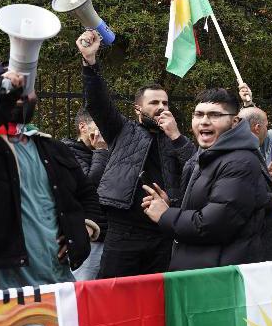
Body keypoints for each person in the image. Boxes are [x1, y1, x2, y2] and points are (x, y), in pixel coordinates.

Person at [76, 30, 197, 278]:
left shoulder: (176, 138)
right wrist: (90, 63)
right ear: (138, 109)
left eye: (165, 103)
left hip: (162, 231)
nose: (161, 107)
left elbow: (196, 168)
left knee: (155, 300)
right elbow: (98, 103)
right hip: (124, 231)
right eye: (154, 103)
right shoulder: (122, 130)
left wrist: (176, 136)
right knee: (115, 298)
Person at [141, 88, 272, 270]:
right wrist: (171, 206)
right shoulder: (207, 155)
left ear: (234, 122)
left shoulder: (240, 161)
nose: (204, 121)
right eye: (199, 114)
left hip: (217, 276)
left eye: (214, 115)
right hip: (199, 266)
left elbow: (213, 225)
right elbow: (204, 205)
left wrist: (165, 215)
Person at [0, 64, 101, 289]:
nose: (20, 94)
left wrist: (83, 229)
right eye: (10, 87)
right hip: (5, 297)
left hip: (58, 287)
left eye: (26, 86)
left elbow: (87, 194)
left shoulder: (54, 148)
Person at [62, 108, 110, 281]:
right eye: (100, 125)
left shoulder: (106, 151)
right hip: (90, 238)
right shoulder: (68, 152)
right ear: (83, 127)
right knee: (83, 290)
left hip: (110, 236)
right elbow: (89, 186)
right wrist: (101, 151)